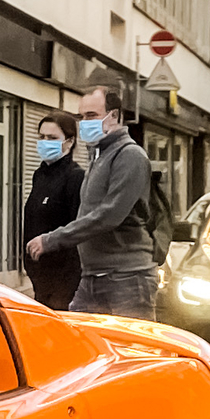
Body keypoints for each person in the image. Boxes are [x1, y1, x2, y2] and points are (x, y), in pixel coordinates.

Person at [24, 85, 159, 321]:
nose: (85, 122)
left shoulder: (129, 155)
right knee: (80, 345)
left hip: (126, 278)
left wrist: (51, 239)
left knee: (132, 351)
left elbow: (109, 215)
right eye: (82, 116)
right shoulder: (99, 155)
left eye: (91, 116)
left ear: (114, 116)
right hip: (94, 276)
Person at [19, 110, 85, 309]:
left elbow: (78, 228)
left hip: (64, 280)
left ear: (69, 142)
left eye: (52, 137)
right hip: (39, 276)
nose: (45, 142)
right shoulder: (40, 175)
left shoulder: (75, 178)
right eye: (42, 137)